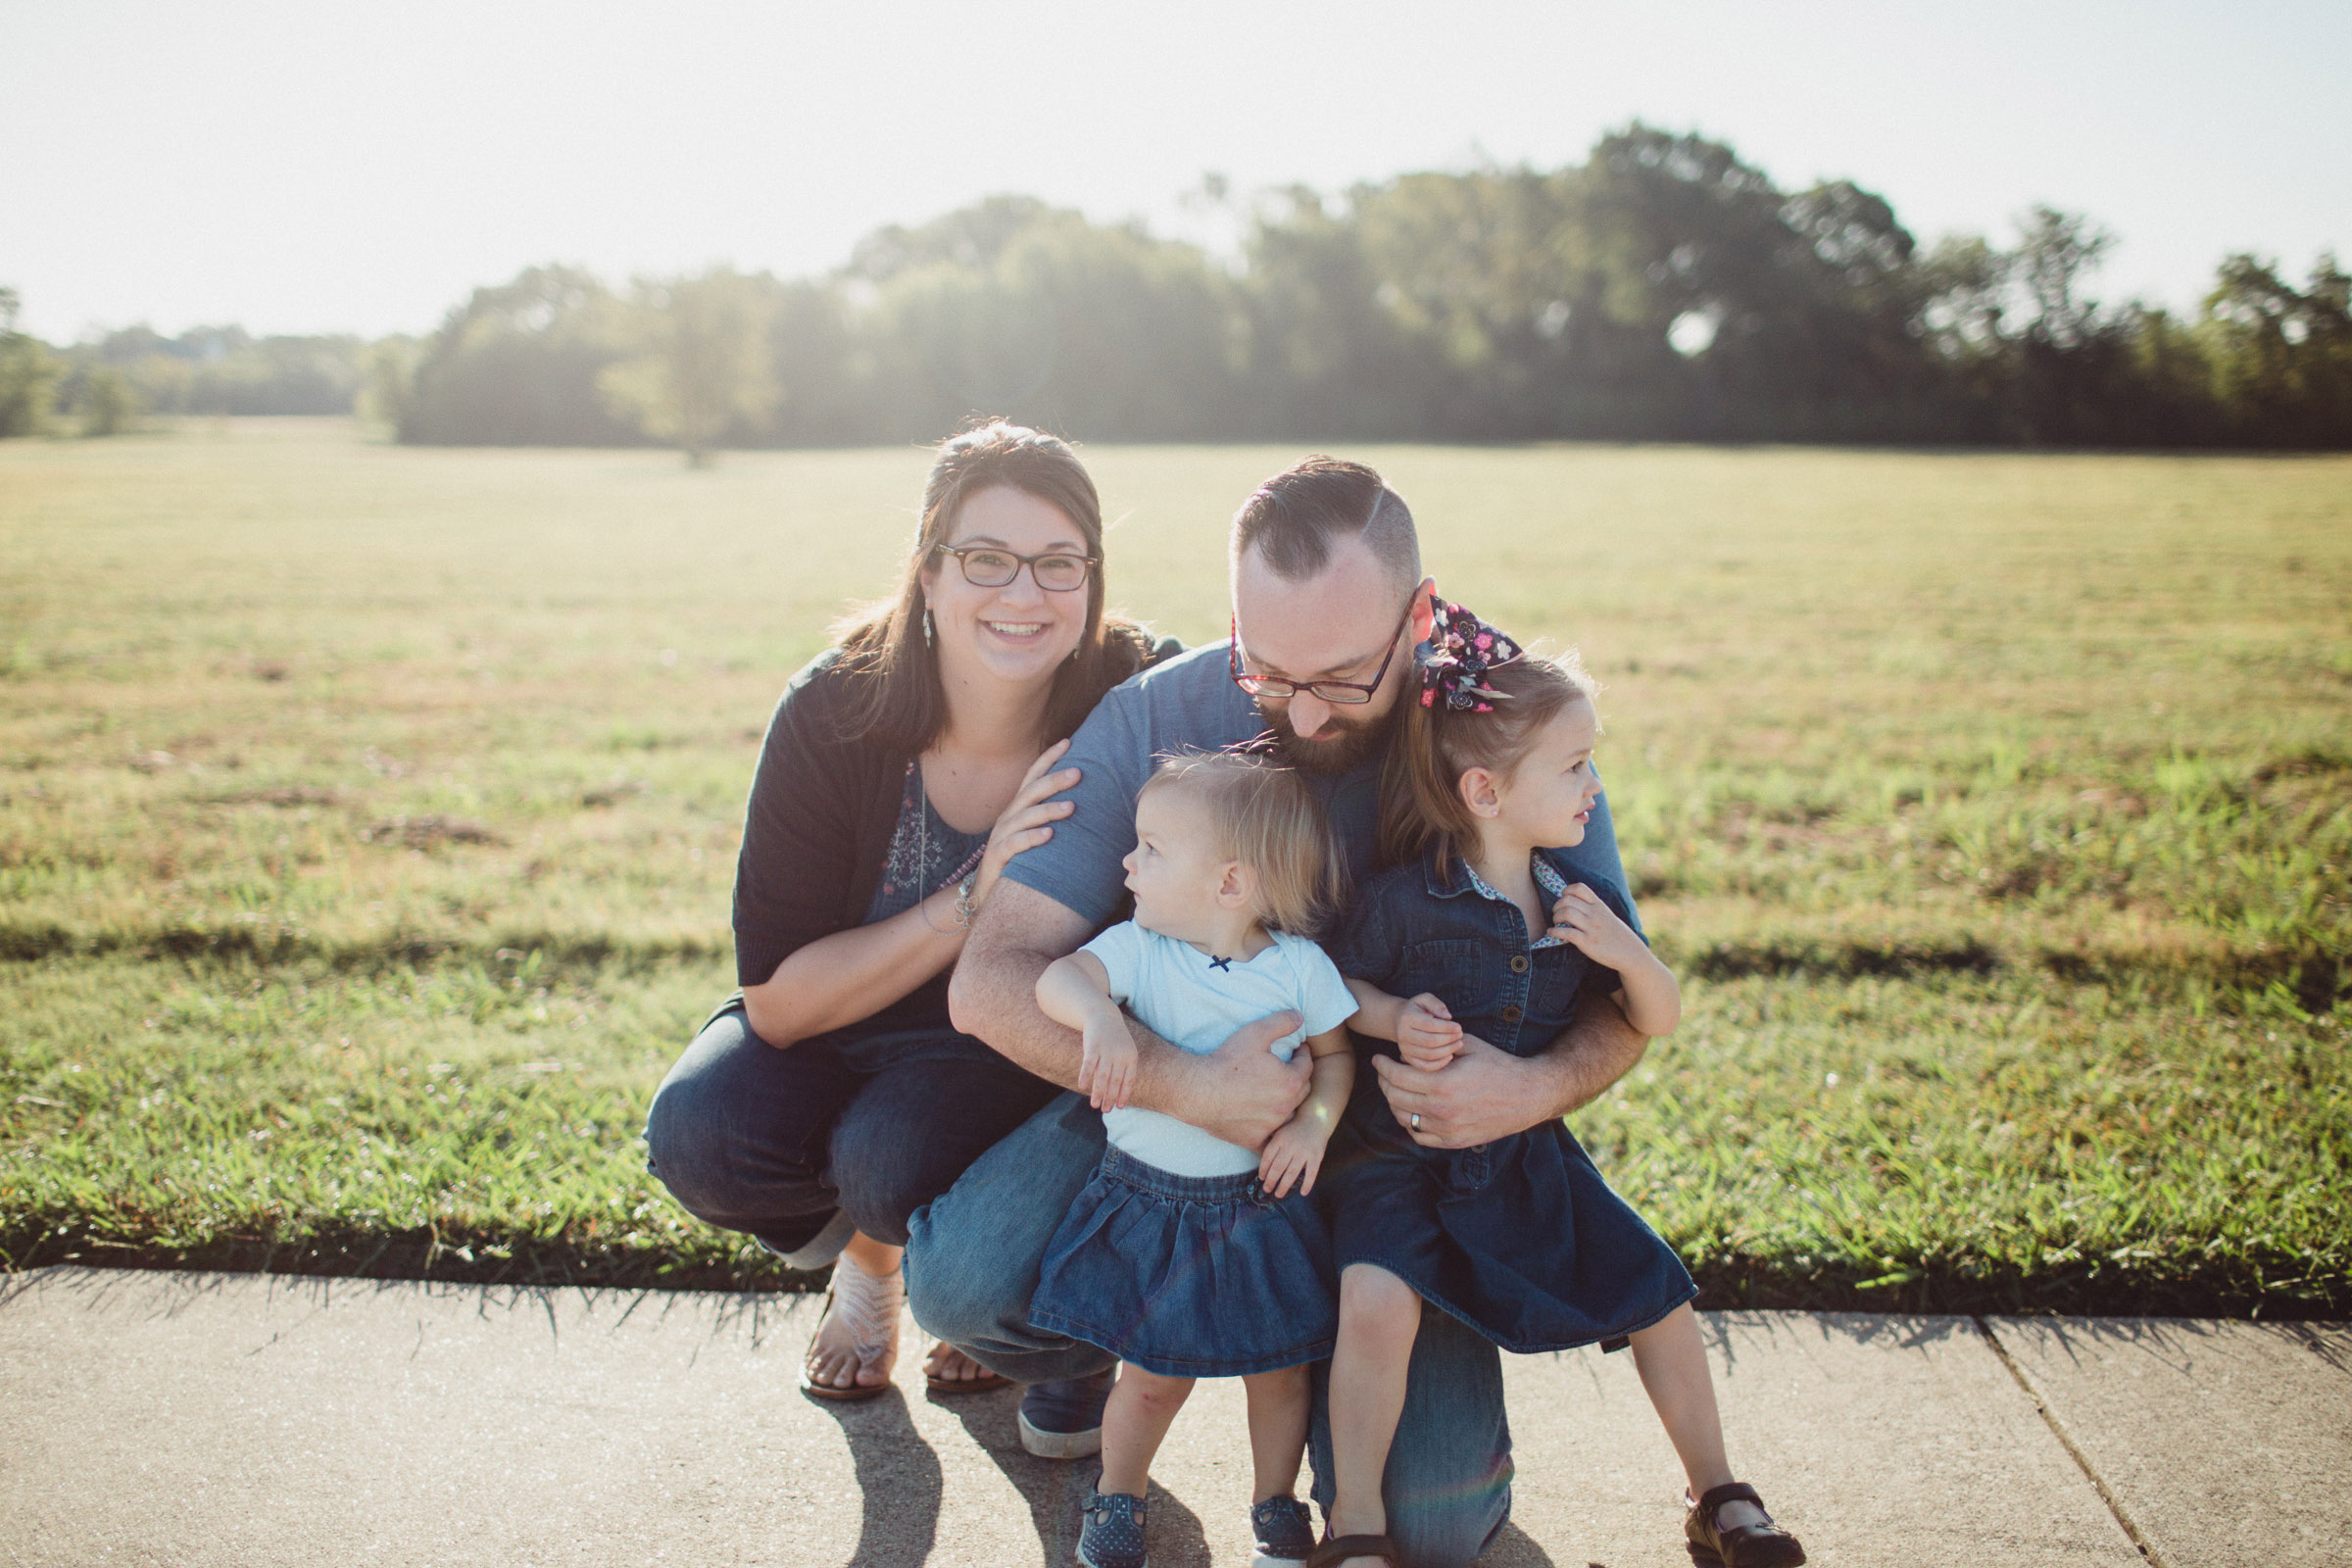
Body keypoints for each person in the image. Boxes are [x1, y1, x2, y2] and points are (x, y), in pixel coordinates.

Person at [910, 456, 1652, 1566]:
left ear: (1419, 616)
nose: (1302, 710)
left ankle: (1299, 1365)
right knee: (964, 1288)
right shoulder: (1160, 714)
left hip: (1406, 1154)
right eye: (1271, 671)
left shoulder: (1503, 717)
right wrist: (1187, 1083)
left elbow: (1627, 996)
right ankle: (1115, 1341)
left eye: (1344, 678)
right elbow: (992, 979)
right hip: (1170, 1107)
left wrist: (1534, 1088)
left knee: (1436, 1530)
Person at [642, 420, 1171, 1399]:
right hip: (841, 1015)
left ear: (1095, 577)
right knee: (700, 1131)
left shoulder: (1134, 693)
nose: (1025, 594)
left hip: (1013, 1037)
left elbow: (1272, 708)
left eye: (1061, 563)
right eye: (986, 559)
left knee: (887, 1155)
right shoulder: (834, 710)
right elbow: (779, 1006)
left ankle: (993, 1298)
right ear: (928, 572)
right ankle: (875, 1265)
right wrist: (974, 892)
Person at [1316, 631, 1805, 1568]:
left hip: (1524, 1159)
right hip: (1396, 1161)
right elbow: (1330, 989)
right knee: (1376, 1300)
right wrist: (1392, 1014)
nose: (1594, 786)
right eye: (1576, 766)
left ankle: (1720, 1491)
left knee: (1657, 1290)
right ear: (1485, 794)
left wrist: (1629, 955)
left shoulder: (1579, 901)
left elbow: (1653, 1015)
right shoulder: (1403, 902)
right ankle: (1358, 1523)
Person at [1030, 752, 1358, 1568]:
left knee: (1279, 1375)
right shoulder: (1138, 950)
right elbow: (1059, 980)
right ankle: (1118, 1497)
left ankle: (1275, 1503)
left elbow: (1339, 1059)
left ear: (1230, 884)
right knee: (1148, 1379)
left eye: (1151, 849)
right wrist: (1101, 1020)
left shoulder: (1298, 969)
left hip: (1259, 1204)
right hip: (1150, 1203)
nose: (1127, 862)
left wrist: (1313, 1127)